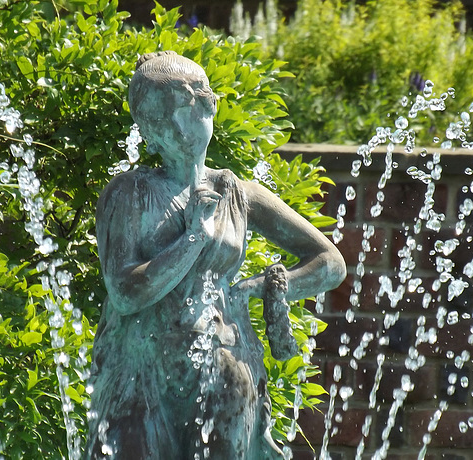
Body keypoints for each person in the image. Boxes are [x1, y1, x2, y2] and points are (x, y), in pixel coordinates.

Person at [84, 51, 346, 459]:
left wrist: (260, 288)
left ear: (210, 106)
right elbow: (125, 293)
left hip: (223, 362)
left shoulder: (237, 193)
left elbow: (330, 262)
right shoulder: (129, 194)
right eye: (161, 117)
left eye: (188, 107)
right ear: (146, 132)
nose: (178, 125)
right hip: (140, 371)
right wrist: (194, 237)